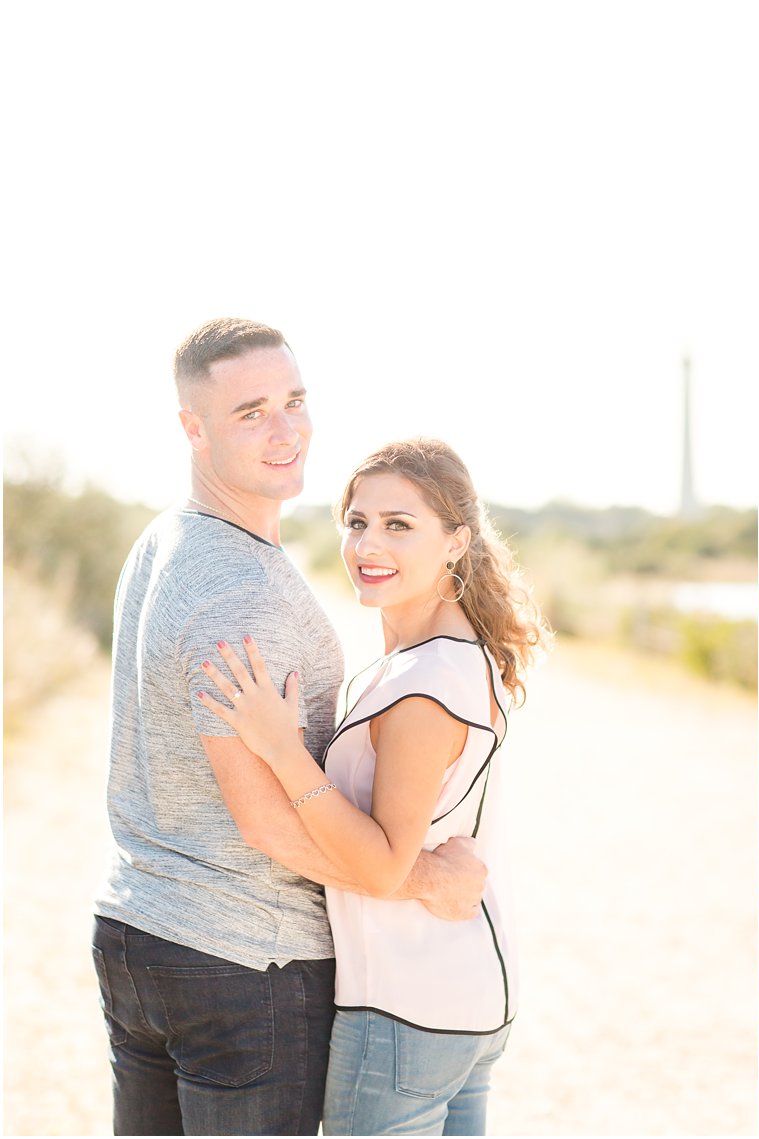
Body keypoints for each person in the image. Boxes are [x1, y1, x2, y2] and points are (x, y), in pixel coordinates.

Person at [91, 319, 486, 1137]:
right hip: (244, 964)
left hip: (140, 935)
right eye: (250, 412)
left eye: (294, 401)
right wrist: (420, 879)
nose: (286, 429)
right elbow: (264, 815)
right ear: (191, 428)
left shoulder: (164, 539)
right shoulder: (242, 591)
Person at [199, 437, 549, 1135]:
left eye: (399, 524)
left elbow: (385, 862)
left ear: (456, 542)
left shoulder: (423, 689)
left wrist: (279, 747)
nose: (367, 544)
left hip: (405, 1009)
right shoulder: (441, 658)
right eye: (357, 522)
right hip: (465, 1000)